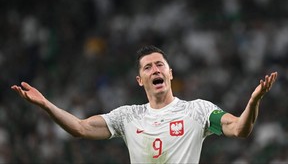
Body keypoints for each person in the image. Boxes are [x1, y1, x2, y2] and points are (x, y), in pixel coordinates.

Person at [11, 45, 278, 164]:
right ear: (140, 80)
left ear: (170, 73)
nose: (155, 70)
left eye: (160, 64)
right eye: (148, 67)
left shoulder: (198, 110)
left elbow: (240, 129)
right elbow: (81, 128)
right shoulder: (128, 116)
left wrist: (253, 101)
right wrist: (47, 105)